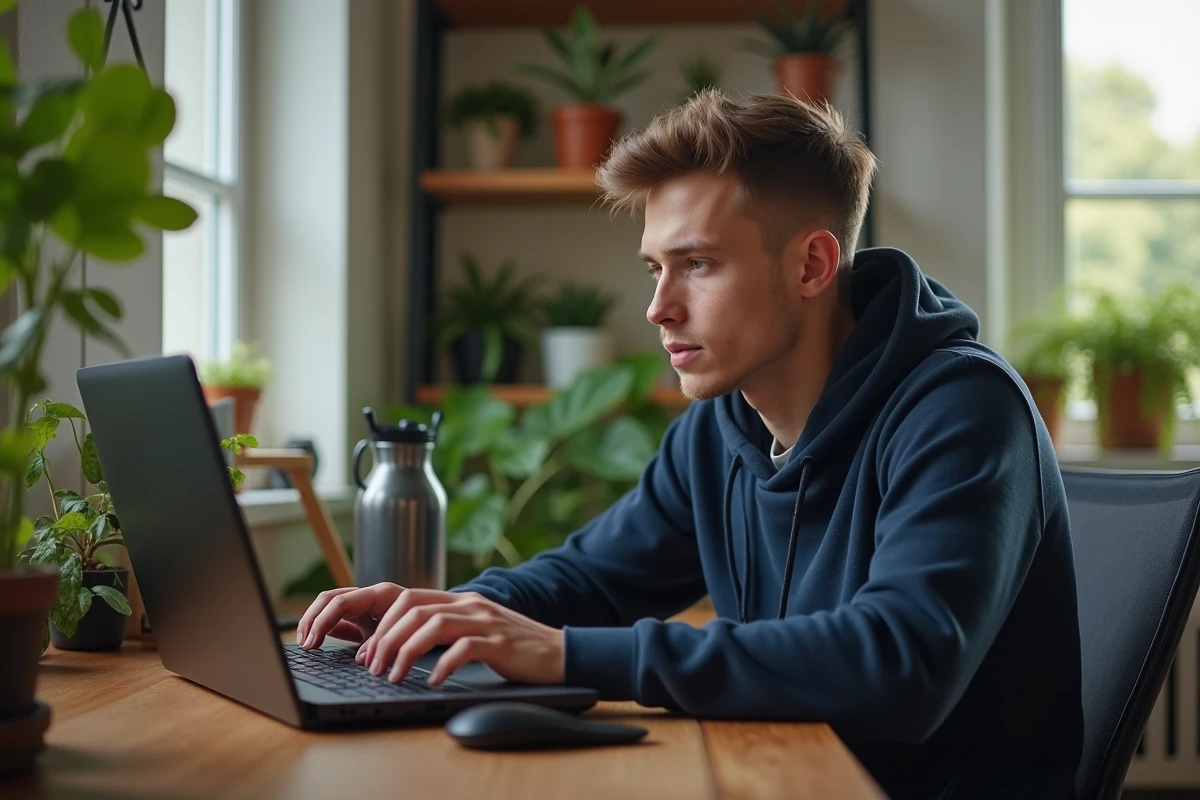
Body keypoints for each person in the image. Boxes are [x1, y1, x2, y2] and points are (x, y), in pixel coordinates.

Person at [298, 90, 1083, 799]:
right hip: (778, 774)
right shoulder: (722, 424)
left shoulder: (960, 409)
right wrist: (452, 612)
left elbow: (899, 664)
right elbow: (594, 577)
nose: (658, 309)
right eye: (654, 268)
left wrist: (568, 656)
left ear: (812, 263)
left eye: (698, 264)